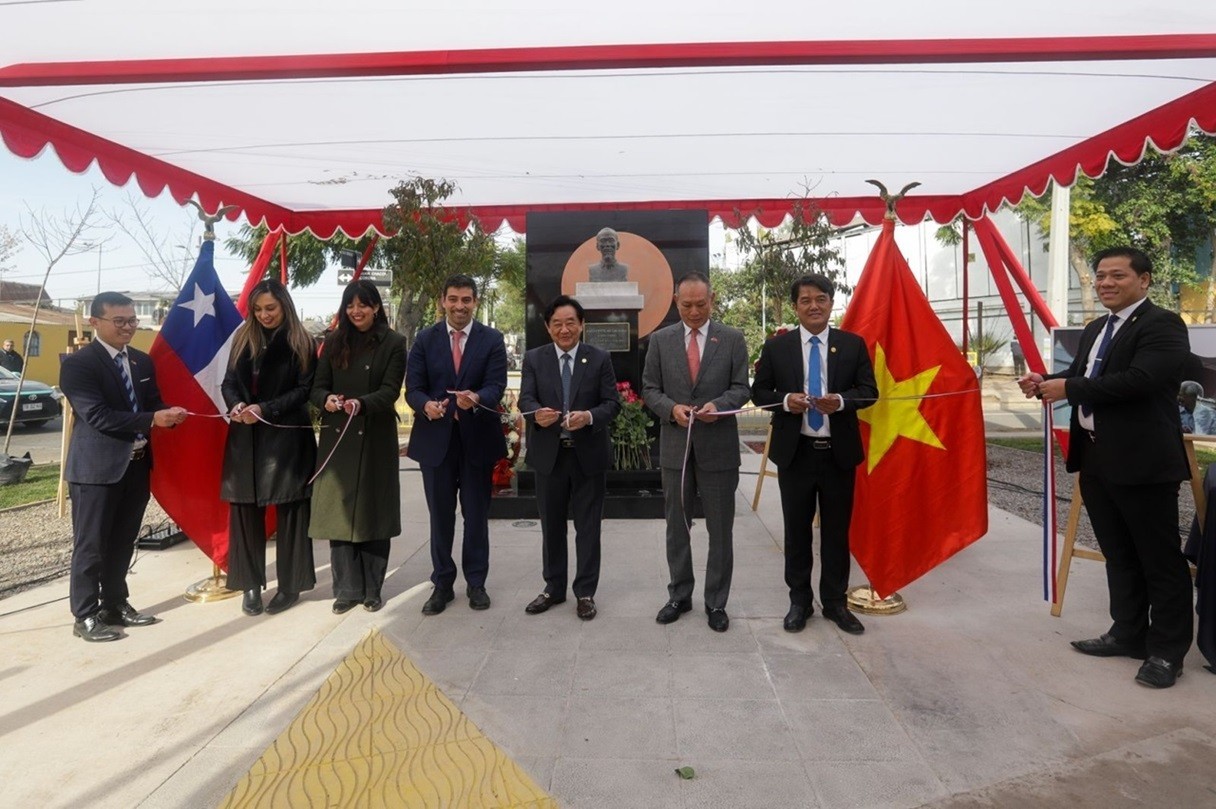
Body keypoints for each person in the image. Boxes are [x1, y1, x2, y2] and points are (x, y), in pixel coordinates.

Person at [1018, 246, 1193, 688]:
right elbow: (1082, 378)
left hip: (1143, 461)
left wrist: (1069, 386)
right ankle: (1127, 633)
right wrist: (1044, 383)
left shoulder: (1163, 325)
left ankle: (1167, 652)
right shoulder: (1097, 327)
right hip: (1096, 458)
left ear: (1144, 280)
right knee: (1119, 553)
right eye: (1100, 276)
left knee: (1159, 560)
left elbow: (1141, 381)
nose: (1105, 283)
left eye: (1117, 275)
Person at [751, 275, 878, 635]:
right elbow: (758, 392)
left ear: (831, 303)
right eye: (805, 300)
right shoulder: (777, 348)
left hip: (838, 453)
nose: (813, 306)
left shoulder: (852, 345)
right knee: (797, 532)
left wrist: (839, 401)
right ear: (795, 307)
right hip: (797, 454)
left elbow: (870, 391)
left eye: (820, 299)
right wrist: (785, 400)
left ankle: (836, 603)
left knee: (837, 533)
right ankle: (800, 601)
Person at [59, 292, 187, 642]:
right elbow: (96, 415)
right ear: (95, 322)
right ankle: (84, 614)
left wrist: (169, 414)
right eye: (120, 321)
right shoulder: (79, 365)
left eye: (132, 320)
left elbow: (152, 403)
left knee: (123, 542)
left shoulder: (142, 363)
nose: (128, 327)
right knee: (92, 545)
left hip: (135, 465)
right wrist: (152, 418)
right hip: (96, 470)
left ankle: (114, 604)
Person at [642, 271, 750, 632]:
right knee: (677, 526)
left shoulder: (732, 339)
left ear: (712, 299)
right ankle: (679, 595)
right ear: (676, 301)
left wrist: (718, 405)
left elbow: (741, 388)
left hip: (718, 448)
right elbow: (649, 389)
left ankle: (716, 602)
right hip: (676, 448)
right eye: (686, 305)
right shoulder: (661, 340)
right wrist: (671, 408)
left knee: (721, 530)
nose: (693, 312)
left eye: (700, 304)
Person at [406, 274, 508, 615]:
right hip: (436, 442)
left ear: (475, 302)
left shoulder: (492, 339)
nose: (459, 306)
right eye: (453, 299)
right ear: (442, 301)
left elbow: (497, 384)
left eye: (466, 300)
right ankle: (442, 584)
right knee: (440, 517)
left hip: (477, 439)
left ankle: (476, 583)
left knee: (476, 515)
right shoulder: (424, 339)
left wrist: (477, 398)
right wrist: (426, 406)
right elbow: (414, 388)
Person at [518, 295, 620, 620]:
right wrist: (536, 414)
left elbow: (612, 403)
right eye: (558, 324)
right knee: (551, 526)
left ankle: (585, 592)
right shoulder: (535, 359)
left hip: (587, 455)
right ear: (548, 328)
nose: (565, 329)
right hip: (550, 457)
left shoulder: (599, 357)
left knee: (588, 527)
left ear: (581, 325)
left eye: (571, 322)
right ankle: (553, 588)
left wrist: (588, 417)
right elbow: (525, 399)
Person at [221, 280, 318, 617]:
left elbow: (305, 390)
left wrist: (265, 409)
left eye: (270, 308)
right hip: (244, 437)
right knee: (245, 512)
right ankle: (249, 584)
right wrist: (236, 405)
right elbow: (229, 382)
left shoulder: (302, 341)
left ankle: (291, 585)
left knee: (292, 513)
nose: (264, 315)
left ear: (284, 306)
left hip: (287, 436)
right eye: (258, 309)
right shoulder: (242, 338)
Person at [309, 281, 407, 614]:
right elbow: (317, 387)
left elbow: (390, 391)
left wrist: (360, 405)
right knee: (339, 515)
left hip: (375, 435)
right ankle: (346, 589)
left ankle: (372, 589)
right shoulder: (333, 342)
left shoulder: (394, 343)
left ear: (377, 307)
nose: (356, 311)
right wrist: (329, 400)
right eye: (350, 306)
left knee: (374, 514)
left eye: (363, 305)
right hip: (339, 439)